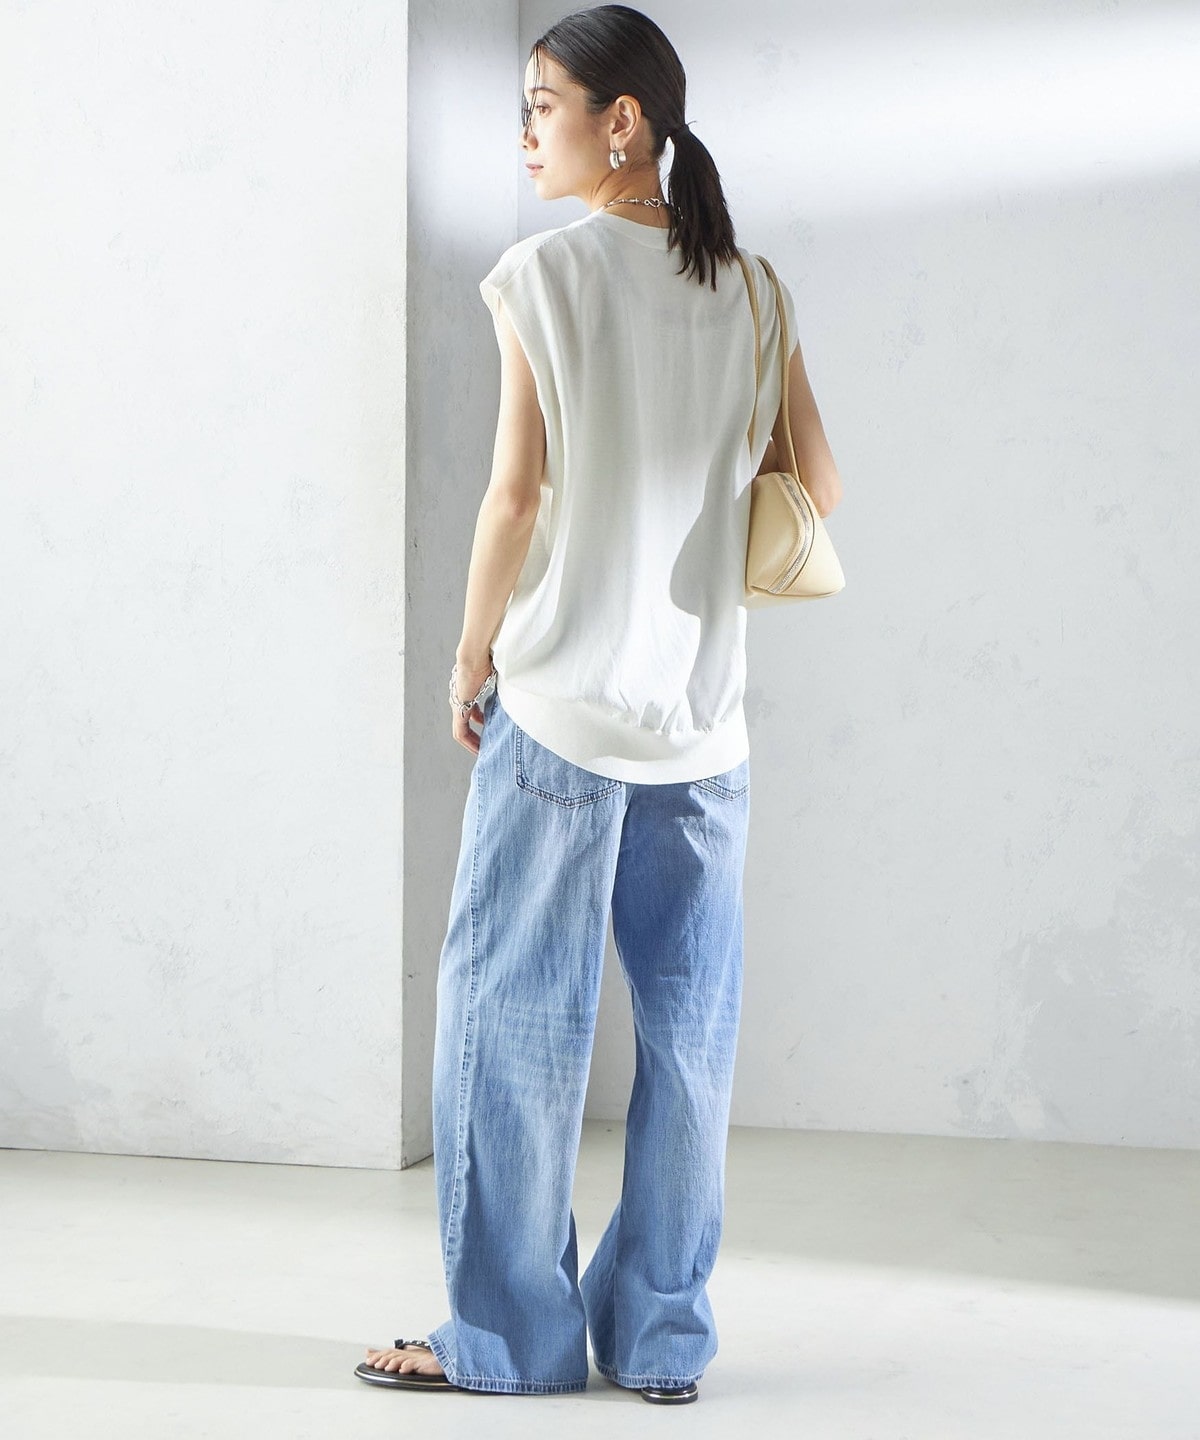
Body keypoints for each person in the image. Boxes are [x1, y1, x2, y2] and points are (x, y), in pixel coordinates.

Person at [355, 2, 843, 1406]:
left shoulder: (544, 276)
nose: (524, 134)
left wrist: (470, 658)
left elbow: (512, 499)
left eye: (541, 106)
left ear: (621, 122)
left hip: (563, 714)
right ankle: (663, 1341)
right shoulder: (754, 287)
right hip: (705, 728)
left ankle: (511, 1341)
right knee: (688, 1046)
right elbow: (816, 482)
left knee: (510, 1028)